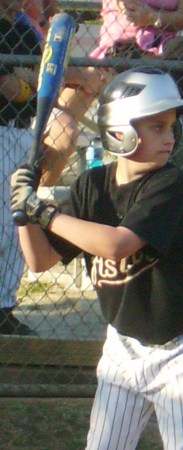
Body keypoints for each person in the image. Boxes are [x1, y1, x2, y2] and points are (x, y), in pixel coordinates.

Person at [10, 67, 183, 448]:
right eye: (156, 126)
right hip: (124, 346)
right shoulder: (92, 186)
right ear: (119, 131)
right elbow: (40, 260)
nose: (170, 137)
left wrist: (45, 213)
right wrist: (24, 214)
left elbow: (116, 245)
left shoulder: (168, 182)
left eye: (171, 126)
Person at [0, 0, 111, 335]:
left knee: (13, 223)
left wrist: (22, 82)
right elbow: (10, 87)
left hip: (19, 132)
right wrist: (22, 83)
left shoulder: (20, 28)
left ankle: (4, 307)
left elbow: (40, 80)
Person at [90, 0, 183, 101]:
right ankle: (159, 73)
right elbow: (130, 9)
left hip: (164, 47)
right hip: (124, 46)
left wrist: (153, 17)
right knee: (128, 53)